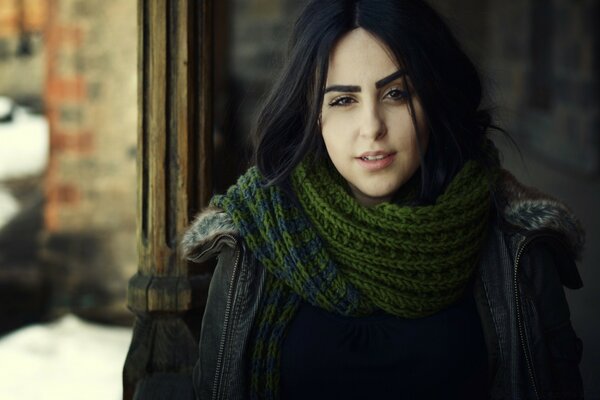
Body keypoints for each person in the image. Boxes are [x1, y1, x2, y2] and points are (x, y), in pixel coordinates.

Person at [181, 0, 585, 399]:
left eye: (396, 93)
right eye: (343, 100)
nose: (371, 127)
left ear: (432, 98)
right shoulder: (253, 237)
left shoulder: (517, 243)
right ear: (311, 114)